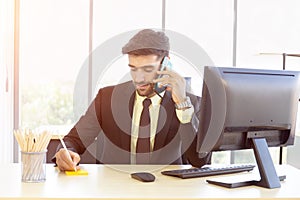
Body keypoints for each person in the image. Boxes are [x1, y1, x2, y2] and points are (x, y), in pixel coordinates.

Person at [53, 29, 211, 171]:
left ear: (166, 63)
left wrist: (182, 104)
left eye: (148, 69)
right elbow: (74, 140)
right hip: (117, 190)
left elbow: (199, 160)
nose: (139, 78)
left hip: (166, 192)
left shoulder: (191, 103)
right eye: (133, 68)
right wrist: (65, 153)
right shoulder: (107, 98)